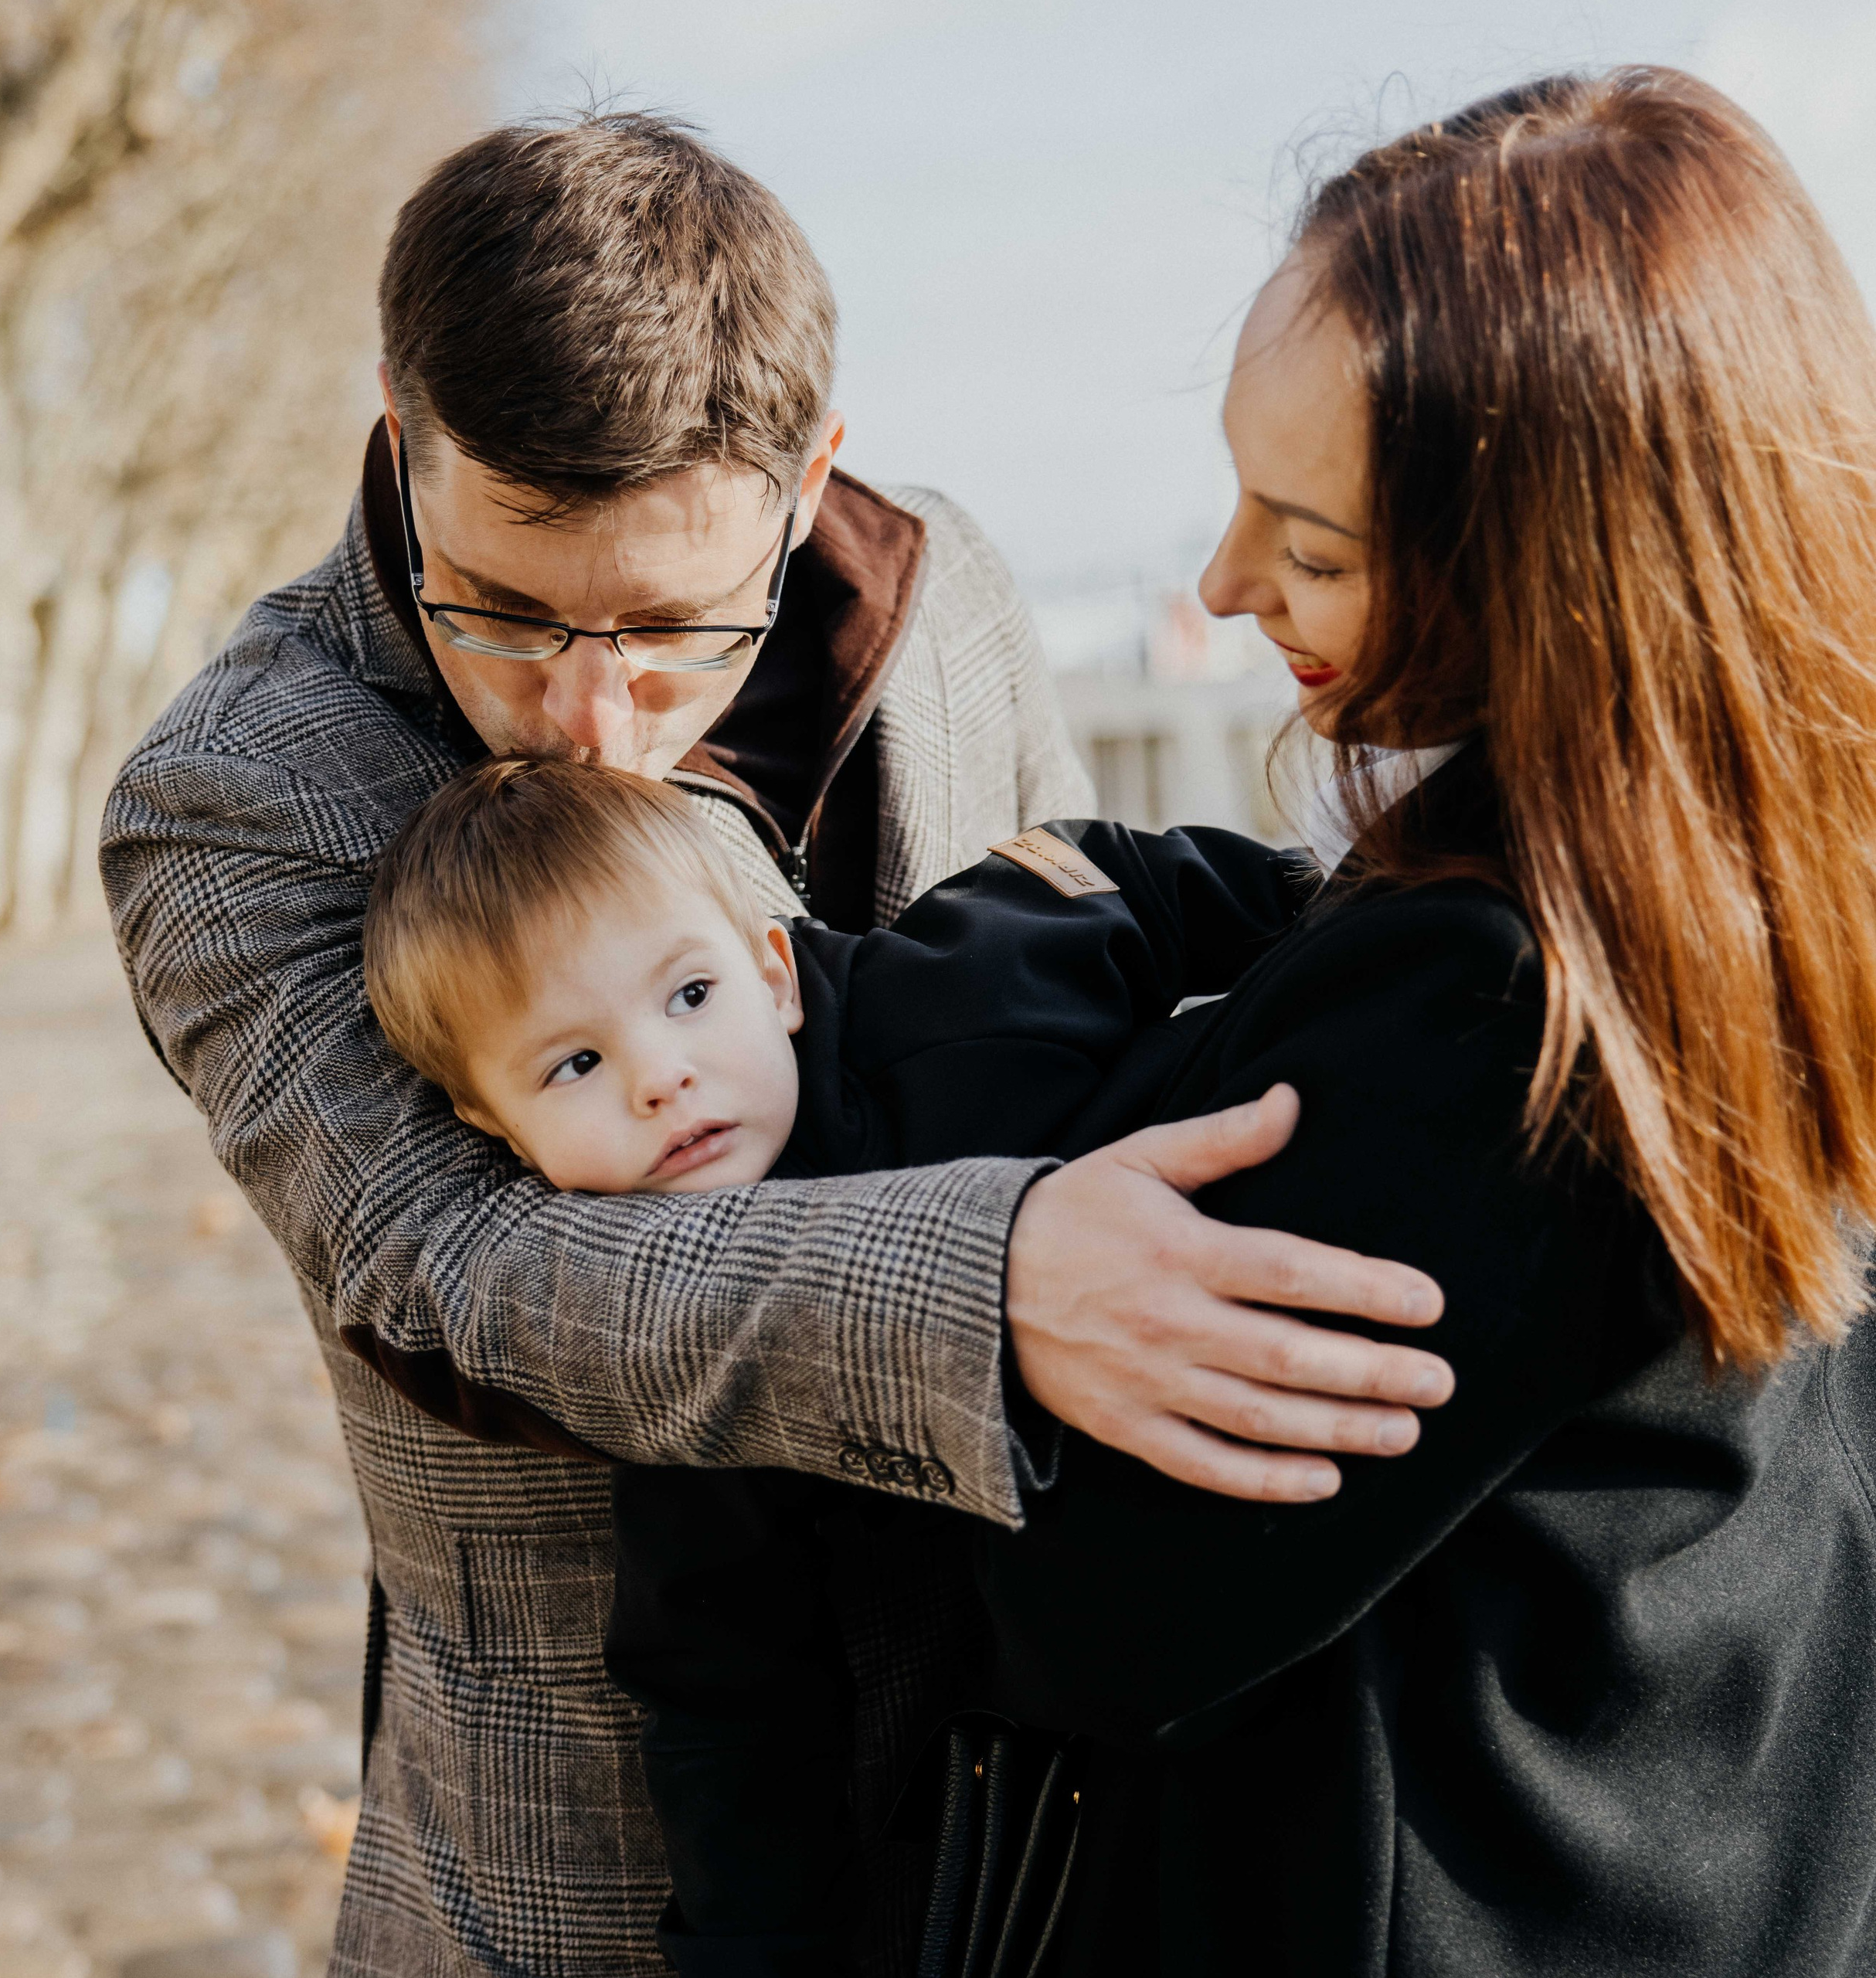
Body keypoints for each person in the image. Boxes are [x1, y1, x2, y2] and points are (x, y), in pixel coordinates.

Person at [100, 113, 1449, 1975]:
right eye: (502, 609)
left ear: (807, 473)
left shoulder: (948, 589)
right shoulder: (240, 790)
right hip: (596, 1870)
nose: (586, 717)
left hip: (1058, 1835)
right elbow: (441, 1264)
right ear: (404, 447)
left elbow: (1122, 994)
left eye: (671, 626)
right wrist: (983, 1289)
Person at [967, 66, 1876, 1976]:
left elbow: (1087, 1613)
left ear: (1561, 582)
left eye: (1307, 548)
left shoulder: (1496, 1016)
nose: (1220, 587)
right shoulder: (1767, 902)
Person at [359, 753, 1319, 1974]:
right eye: (574, 1066)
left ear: (776, 975)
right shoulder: (686, 1353)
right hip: (1154, 1645)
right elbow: (727, 1696)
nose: (661, 1076)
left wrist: (1325, 904)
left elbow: (1116, 876)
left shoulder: (963, 983)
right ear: (496, 1128)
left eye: (691, 995)